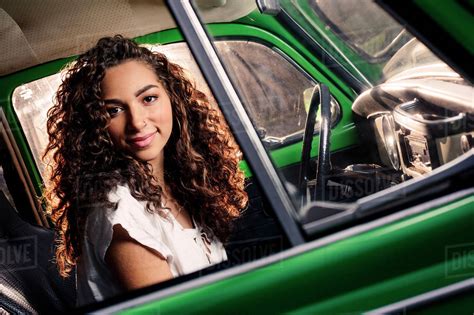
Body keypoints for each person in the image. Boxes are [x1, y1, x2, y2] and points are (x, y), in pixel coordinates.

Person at [42, 35, 248, 306]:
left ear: (173, 99)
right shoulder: (119, 211)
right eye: (114, 110)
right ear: (94, 126)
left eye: (148, 98)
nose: (137, 122)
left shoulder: (181, 183)